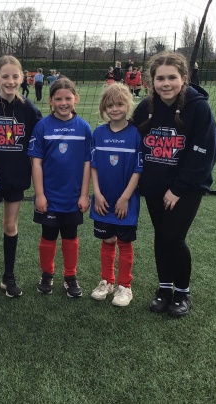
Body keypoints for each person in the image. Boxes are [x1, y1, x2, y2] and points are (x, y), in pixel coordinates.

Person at [133, 51, 216, 317]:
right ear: (152, 81)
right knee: (161, 236)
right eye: (160, 78)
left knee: (173, 237)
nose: (166, 84)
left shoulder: (198, 107)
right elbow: (132, 139)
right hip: (155, 185)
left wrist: (178, 188)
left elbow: (205, 151)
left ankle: (182, 292)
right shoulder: (145, 107)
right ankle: (164, 289)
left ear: (184, 78)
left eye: (172, 77)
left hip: (186, 187)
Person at [0, 55, 42, 297]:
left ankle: (8, 276)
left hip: (15, 176)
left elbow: (42, 134)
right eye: (5, 76)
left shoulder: (27, 108)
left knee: (10, 225)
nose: (10, 81)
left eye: (15, 76)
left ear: (22, 78)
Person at [28, 77, 92, 298]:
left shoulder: (83, 128)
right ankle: (47, 274)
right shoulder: (42, 127)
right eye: (58, 99)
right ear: (51, 101)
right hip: (49, 197)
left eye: (68, 98)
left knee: (70, 236)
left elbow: (87, 163)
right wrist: (39, 194)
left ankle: (70, 276)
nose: (63, 103)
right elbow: (36, 163)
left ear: (76, 99)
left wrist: (84, 195)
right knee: (48, 236)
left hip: (73, 197)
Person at [89, 83, 142, 307]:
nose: (115, 109)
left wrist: (125, 197)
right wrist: (97, 193)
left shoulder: (136, 134)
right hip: (103, 200)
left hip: (125, 202)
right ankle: (106, 282)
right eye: (110, 105)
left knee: (125, 242)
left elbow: (138, 169)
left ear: (128, 105)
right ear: (104, 108)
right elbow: (93, 166)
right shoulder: (98, 133)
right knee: (107, 240)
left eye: (120, 104)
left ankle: (125, 286)